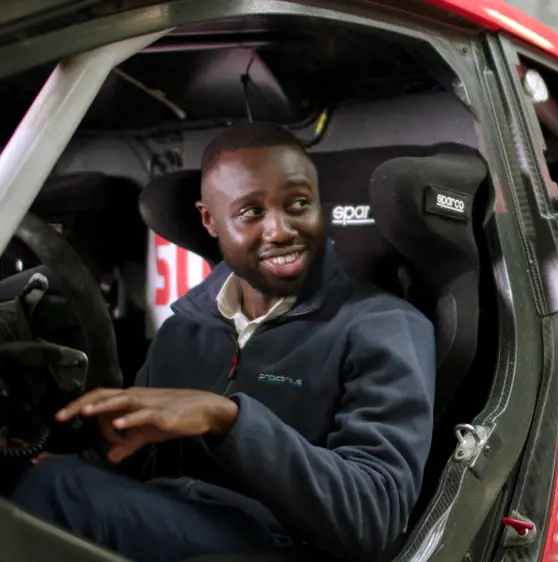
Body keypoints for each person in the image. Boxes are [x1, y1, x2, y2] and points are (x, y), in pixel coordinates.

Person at [4, 123, 437, 562]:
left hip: (281, 541)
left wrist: (227, 420)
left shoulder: (384, 325)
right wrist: (63, 460)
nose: (280, 230)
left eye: (299, 204)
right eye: (251, 212)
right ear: (209, 220)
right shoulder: (186, 328)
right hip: (172, 515)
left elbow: (374, 518)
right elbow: (137, 456)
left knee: (59, 493)